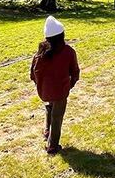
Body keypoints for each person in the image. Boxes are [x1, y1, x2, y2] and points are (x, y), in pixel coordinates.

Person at [30, 16, 80, 155]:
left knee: (50, 106)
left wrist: (41, 85)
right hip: (60, 91)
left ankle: (47, 130)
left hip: (44, 91)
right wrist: (68, 85)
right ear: (62, 35)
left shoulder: (39, 53)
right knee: (57, 117)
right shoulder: (68, 51)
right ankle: (52, 146)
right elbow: (75, 72)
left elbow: (32, 74)